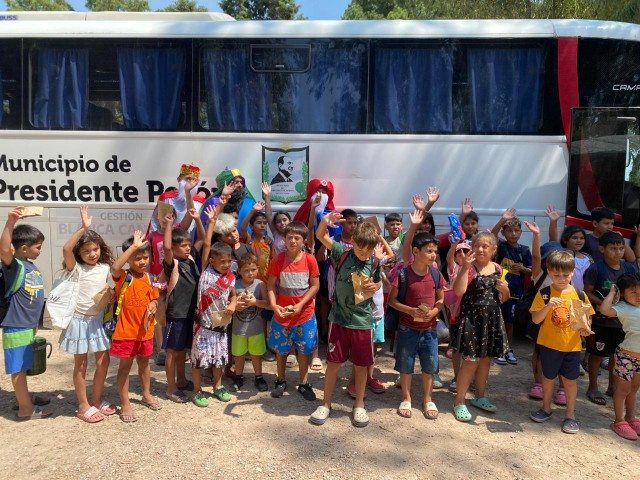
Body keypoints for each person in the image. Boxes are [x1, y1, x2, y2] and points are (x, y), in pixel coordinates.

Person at [310, 213, 381, 428]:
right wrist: (325, 221)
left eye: (368, 250)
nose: (363, 253)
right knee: (333, 363)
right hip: (339, 319)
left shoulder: (375, 262)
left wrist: (375, 286)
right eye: (360, 248)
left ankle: (359, 405)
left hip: (362, 322)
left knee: (361, 365)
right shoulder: (341, 252)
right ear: (353, 242)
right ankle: (326, 403)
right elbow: (320, 235)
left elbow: (379, 282)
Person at [58, 206, 115, 423]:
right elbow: (66, 248)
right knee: (81, 364)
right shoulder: (76, 268)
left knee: (103, 361)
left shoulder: (105, 268)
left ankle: (96, 400)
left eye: (95, 249)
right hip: (79, 321)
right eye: (86, 251)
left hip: (98, 321)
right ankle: (83, 406)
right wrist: (83, 228)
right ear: (79, 254)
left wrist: (110, 296)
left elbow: (108, 288)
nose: (92, 254)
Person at [528, 250, 594, 434]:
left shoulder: (579, 295)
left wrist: (585, 329)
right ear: (549, 272)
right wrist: (549, 306)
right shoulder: (545, 294)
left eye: (566, 275)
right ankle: (546, 409)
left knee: (570, 381)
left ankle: (570, 416)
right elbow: (535, 319)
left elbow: (586, 320)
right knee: (548, 378)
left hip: (572, 347)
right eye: (556, 275)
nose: (562, 279)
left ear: (572, 272)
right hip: (549, 345)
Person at [451, 232, 510, 422]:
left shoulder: (498, 269)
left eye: (485, 246)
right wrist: (464, 268)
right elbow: (458, 291)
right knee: (471, 361)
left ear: (494, 249)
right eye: (477, 245)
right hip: (472, 320)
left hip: (491, 320)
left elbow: (503, 299)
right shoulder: (468, 267)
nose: (480, 249)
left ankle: (480, 396)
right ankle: (459, 402)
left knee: (485, 360)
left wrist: (506, 290)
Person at [1, 206, 52, 420]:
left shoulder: (29, 265)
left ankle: (23, 398)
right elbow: (5, 251)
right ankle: (25, 409)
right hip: (16, 326)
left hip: (27, 326)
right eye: (38, 247)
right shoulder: (15, 266)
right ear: (23, 248)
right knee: (18, 369)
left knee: (23, 365)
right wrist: (11, 222)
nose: (40, 250)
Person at [388, 232, 445, 420]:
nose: (433, 255)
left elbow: (441, 300)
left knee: (430, 365)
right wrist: (410, 311)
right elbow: (392, 301)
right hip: (407, 329)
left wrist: (434, 312)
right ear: (415, 251)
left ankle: (428, 399)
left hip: (429, 330)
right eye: (429, 251)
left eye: (435, 251)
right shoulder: (403, 275)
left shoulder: (436, 274)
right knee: (406, 365)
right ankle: (406, 398)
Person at [110, 231, 160, 422]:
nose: (142, 262)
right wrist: (133, 247)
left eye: (145, 257)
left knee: (145, 364)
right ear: (129, 258)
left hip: (145, 332)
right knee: (125, 367)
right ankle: (125, 403)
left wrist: (154, 304)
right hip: (126, 332)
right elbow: (115, 267)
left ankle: (146, 394)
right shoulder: (124, 276)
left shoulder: (150, 277)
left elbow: (155, 298)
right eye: (137, 258)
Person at [267, 221, 320, 401]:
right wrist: (274, 305)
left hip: (304, 314)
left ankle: (304, 383)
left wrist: (301, 304)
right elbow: (271, 285)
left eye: (297, 238)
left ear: (304, 240)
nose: (293, 241)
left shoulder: (310, 260)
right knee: (282, 349)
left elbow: (315, 286)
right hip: (282, 314)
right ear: (284, 239)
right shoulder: (278, 260)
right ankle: (280, 380)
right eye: (289, 237)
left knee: (304, 350)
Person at [583, 231, 637, 406]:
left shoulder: (628, 268)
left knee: (616, 354)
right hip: (601, 321)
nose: (618, 252)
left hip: (622, 323)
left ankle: (612, 387)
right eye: (613, 248)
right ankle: (592, 387)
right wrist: (604, 305)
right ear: (602, 249)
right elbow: (587, 293)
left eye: (621, 248)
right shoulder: (595, 269)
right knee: (597, 354)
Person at [161, 208, 206, 403]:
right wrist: (169, 225)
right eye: (183, 246)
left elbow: (203, 239)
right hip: (176, 314)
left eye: (188, 244)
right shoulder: (172, 263)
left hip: (190, 313)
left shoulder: (191, 258)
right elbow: (167, 248)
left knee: (182, 351)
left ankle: (181, 379)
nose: (187, 248)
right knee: (172, 351)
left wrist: (198, 220)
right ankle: (171, 388)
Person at [191, 240, 237, 406]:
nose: (226, 265)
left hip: (220, 326)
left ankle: (218, 386)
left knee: (219, 359)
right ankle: (197, 390)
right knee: (199, 361)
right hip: (203, 327)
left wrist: (233, 304)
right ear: (211, 260)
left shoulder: (230, 277)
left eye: (229, 261)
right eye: (222, 261)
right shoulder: (206, 271)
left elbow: (233, 296)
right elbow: (207, 243)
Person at [599, 273, 640, 440]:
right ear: (623, 293)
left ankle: (631, 418)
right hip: (626, 357)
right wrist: (612, 291)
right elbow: (604, 310)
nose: (638, 295)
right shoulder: (623, 307)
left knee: (634, 389)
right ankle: (619, 421)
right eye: (633, 292)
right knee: (623, 390)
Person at [491, 209, 532, 365]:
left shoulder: (524, 250)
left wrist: (523, 268)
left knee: (510, 322)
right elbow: (492, 235)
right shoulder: (501, 247)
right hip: (498, 291)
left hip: (515, 293)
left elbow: (531, 271)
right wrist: (502, 220)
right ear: (504, 232)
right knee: (497, 320)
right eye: (509, 231)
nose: (513, 234)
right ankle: (497, 348)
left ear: (521, 232)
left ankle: (507, 349)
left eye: (516, 231)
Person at [230, 253, 270, 392]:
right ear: (239, 271)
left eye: (253, 269)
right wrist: (235, 306)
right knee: (239, 354)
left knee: (256, 354)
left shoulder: (260, 285)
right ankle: (238, 377)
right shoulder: (234, 285)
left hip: (256, 329)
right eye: (246, 270)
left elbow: (268, 304)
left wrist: (255, 302)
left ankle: (259, 377)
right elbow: (228, 303)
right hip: (238, 329)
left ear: (258, 269)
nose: (250, 273)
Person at [443, 239, 472, 393]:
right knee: (456, 348)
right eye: (459, 253)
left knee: (471, 348)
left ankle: (468, 378)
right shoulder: (454, 269)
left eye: (466, 252)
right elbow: (448, 258)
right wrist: (454, 243)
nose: (463, 255)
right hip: (456, 315)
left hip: (471, 315)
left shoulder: (474, 269)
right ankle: (456, 377)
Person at [147, 163, 206, 236]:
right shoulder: (167, 198)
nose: (191, 183)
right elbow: (156, 223)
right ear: (179, 180)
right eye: (188, 179)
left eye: (194, 180)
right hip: (171, 239)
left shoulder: (200, 201)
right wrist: (155, 240)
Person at [200, 167, 256, 232]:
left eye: (241, 182)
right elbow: (203, 227)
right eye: (236, 182)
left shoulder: (250, 202)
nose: (240, 185)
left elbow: (257, 223)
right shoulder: (214, 201)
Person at [239, 202, 274, 283]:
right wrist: (253, 210)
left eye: (264, 223)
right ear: (251, 226)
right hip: (250, 281)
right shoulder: (249, 240)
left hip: (266, 281)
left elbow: (273, 262)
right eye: (259, 222)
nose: (262, 225)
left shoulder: (269, 243)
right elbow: (243, 228)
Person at [261, 182, 291, 256]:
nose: (282, 223)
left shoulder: (295, 233)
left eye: (284, 220)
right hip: (278, 262)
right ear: (275, 225)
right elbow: (268, 214)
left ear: (290, 221)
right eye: (278, 221)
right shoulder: (276, 233)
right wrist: (267, 195)